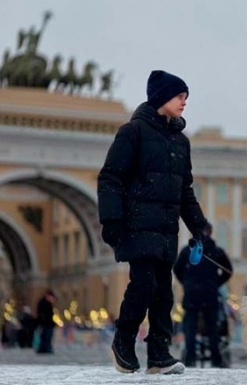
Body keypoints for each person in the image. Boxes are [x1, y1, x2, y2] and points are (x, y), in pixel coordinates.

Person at [98, 70, 209, 375]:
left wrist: (198, 225)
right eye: (179, 96)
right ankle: (123, 340)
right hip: (137, 225)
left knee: (164, 293)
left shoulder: (181, 143)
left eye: (186, 97)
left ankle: (159, 355)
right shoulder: (132, 133)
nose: (184, 102)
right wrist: (112, 221)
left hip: (166, 230)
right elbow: (110, 178)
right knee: (143, 286)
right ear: (161, 97)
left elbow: (184, 189)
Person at [173, 222, 233, 368]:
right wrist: (216, 284)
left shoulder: (187, 251)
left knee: (190, 329)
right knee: (212, 328)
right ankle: (216, 360)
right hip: (209, 295)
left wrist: (187, 283)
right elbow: (228, 270)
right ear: (210, 232)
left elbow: (177, 269)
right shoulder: (216, 250)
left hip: (192, 294)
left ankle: (190, 359)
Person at [36, 289, 57, 354]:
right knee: (46, 336)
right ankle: (46, 348)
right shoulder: (45, 303)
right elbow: (45, 314)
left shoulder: (45, 303)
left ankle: (43, 348)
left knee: (45, 336)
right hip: (46, 324)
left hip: (46, 323)